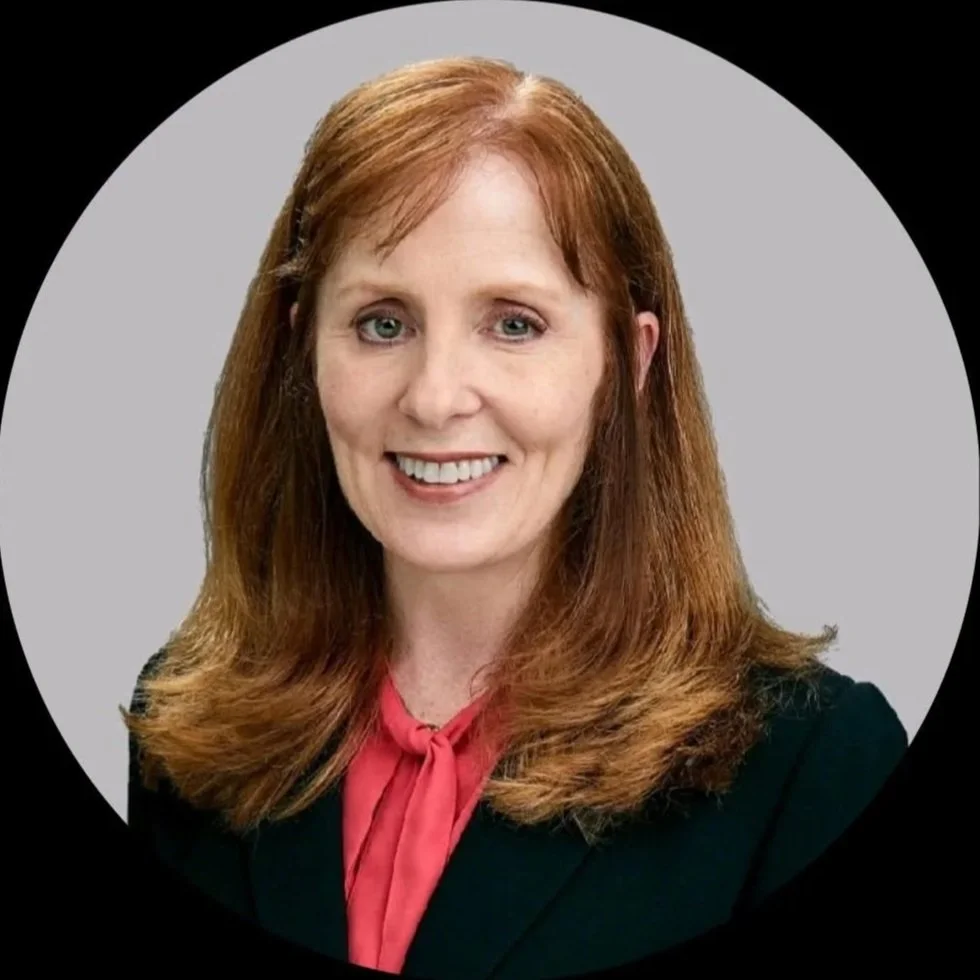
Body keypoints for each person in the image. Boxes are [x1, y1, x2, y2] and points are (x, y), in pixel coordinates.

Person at [123, 56, 908, 979]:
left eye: (514, 324)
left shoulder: (816, 770)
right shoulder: (191, 729)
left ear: (626, 361)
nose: (436, 396)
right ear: (303, 346)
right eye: (383, 322)